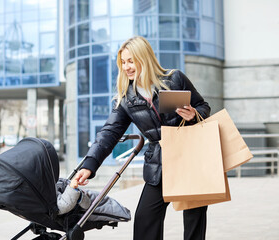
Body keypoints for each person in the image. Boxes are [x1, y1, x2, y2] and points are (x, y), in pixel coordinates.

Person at [73, 36, 211, 240]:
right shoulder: (126, 98)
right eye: (123, 62)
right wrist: (89, 165)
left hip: (188, 157)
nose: (126, 67)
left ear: (144, 59)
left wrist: (193, 115)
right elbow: (109, 133)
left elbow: (203, 107)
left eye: (131, 60)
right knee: (145, 220)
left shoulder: (174, 79)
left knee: (194, 220)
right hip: (159, 163)